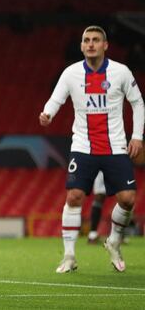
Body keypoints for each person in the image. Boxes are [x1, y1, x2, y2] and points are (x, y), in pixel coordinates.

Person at [40, 25, 142, 273]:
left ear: (105, 45)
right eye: (87, 40)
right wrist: (48, 113)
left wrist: (137, 136)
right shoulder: (71, 73)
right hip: (83, 145)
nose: (91, 44)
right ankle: (69, 256)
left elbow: (138, 103)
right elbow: (56, 98)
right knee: (74, 196)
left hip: (115, 146)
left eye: (96, 40)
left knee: (127, 199)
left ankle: (114, 242)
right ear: (82, 45)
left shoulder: (121, 72)